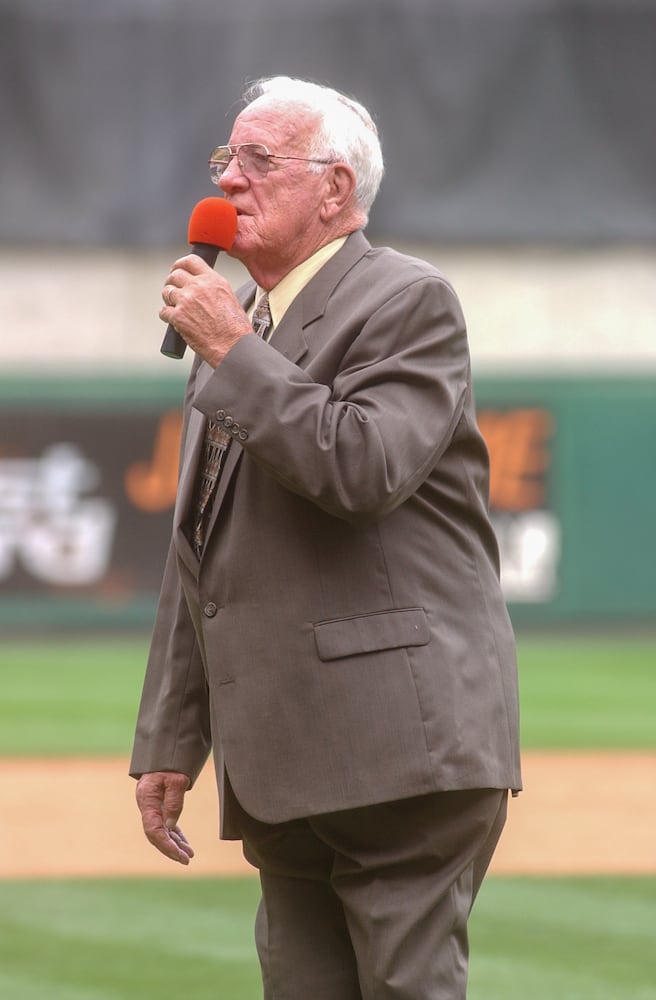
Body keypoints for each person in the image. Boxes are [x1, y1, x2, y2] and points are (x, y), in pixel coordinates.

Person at [130, 75, 521, 999]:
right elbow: (200, 555)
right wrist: (170, 736)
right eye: (228, 159)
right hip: (287, 761)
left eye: (259, 161)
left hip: (400, 755)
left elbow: (363, 469)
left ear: (335, 189)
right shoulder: (246, 328)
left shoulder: (406, 299)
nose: (231, 182)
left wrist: (236, 352)